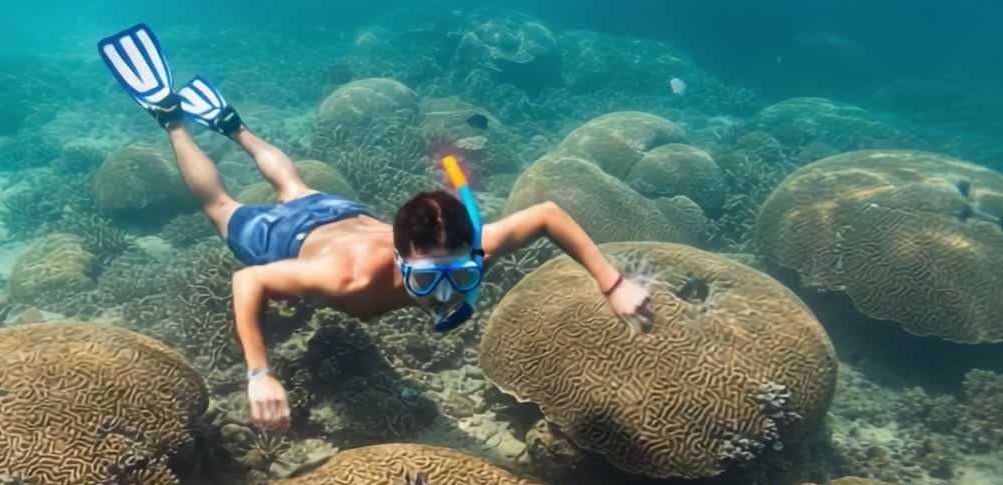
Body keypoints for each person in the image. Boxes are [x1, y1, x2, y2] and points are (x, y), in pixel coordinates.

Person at [99, 24, 655, 432]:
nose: (446, 292)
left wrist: (611, 282)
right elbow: (249, 284)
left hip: (341, 215)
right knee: (221, 206)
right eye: (428, 280)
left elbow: (548, 214)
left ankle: (232, 125)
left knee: (294, 182)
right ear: (399, 259)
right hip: (294, 240)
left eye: (459, 274)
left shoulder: (473, 253)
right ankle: (172, 119)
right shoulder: (346, 282)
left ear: (471, 252)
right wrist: (259, 374)